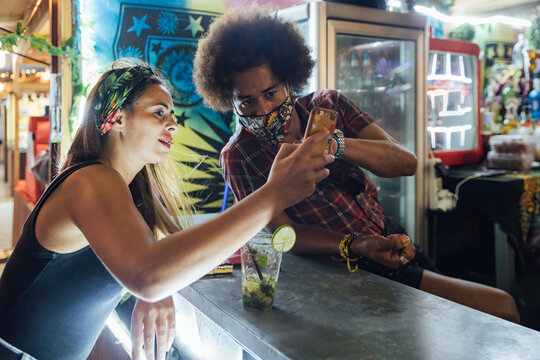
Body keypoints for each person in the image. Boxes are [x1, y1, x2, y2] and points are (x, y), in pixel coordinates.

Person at [192, 10, 521, 324]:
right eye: (247, 102)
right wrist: (354, 245)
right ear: (229, 102)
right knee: (502, 308)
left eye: (271, 92)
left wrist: (337, 144)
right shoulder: (239, 156)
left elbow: (405, 162)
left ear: (288, 81)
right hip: (338, 270)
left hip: (389, 239)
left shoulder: (328, 105)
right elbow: (284, 234)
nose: (263, 109)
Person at [0, 59, 336, 360]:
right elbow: (149, 274)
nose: (173, 124)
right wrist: (273, 195)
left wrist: (155, 288)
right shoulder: (90, 179)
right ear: (116, 117)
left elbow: (152, 264)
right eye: (159, 112)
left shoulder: (122, 190)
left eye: (172, 114)